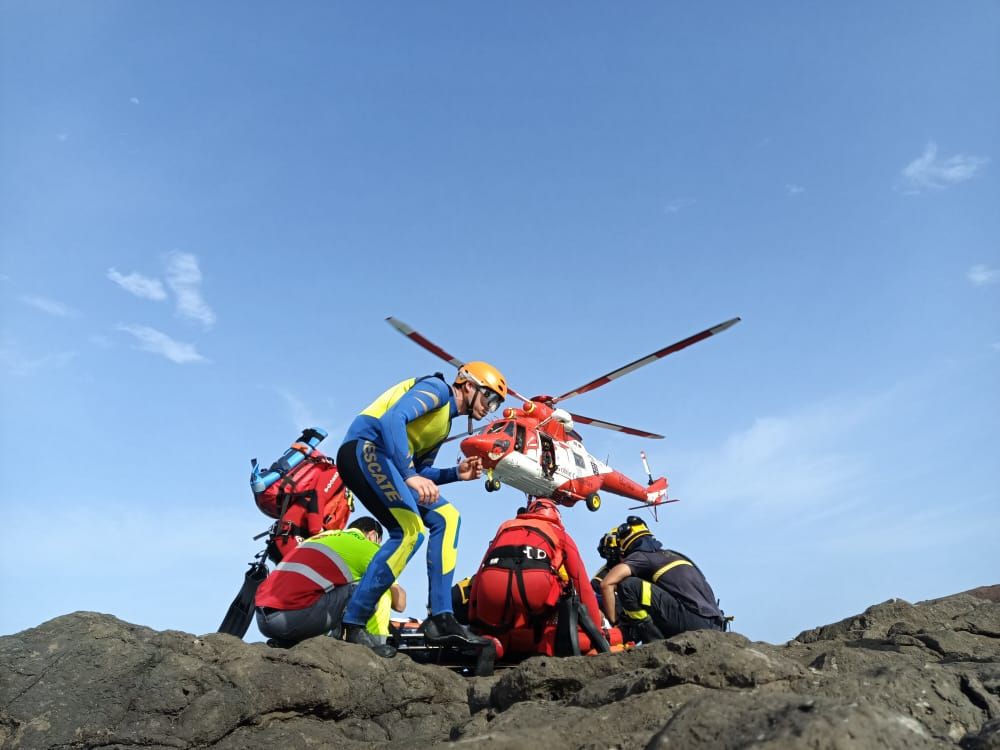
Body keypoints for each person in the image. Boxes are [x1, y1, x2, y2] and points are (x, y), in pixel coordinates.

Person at [336, 363, 508, 657]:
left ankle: (441, 618)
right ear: (468, 385)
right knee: (408, 532)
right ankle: (353, 625)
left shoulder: (444, 426)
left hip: (389, 462)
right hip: (364, 448)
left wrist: (457, 473)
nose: (489, 407)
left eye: (496, 404)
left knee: (447, 517)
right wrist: (408, 473)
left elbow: (423, 471)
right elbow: (394, 420)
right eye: (488, 398)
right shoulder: (438, 389)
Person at [467, 498, 609, 656]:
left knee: (495, 633)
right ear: (557, 517)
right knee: (564, 589)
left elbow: (481, 571)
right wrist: (596, 631)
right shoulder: (559, 533)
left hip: (492, 586)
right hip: (535, 589)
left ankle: (493, 643)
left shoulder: (505, 526)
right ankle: (546, 646)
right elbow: (581, 584)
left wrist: (474, 618)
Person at [254, 516, 405, 648]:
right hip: (291, 620)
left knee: (325, 588)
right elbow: (400, 604)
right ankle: (368, 644)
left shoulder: (322, 537)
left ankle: (291, 642)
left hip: (263, 619)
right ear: (373, 536)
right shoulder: (367, 546)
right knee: (374, 585)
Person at [598, 516, 724, 641]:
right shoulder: (675, 555)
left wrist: (615, 623)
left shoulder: (641, 556)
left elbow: (606, 584)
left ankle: (654, 641)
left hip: (693, 622)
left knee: (628, 586)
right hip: (715, 624)